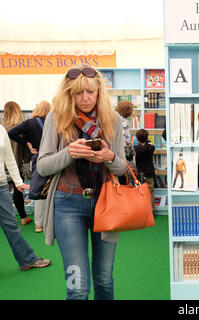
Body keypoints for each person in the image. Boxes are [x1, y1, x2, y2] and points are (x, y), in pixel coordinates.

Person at [37, 64, 127, 300]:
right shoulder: (56, 118)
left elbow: (122, 169)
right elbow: (42, 165)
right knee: (77, 288)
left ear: (99, 92)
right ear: (69, 94)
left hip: (106, 203)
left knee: (104, 279)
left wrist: (109, 157)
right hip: (67, 203)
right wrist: (69, 152)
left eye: (90, 92)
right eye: (78, 92)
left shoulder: (114, 120)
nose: (85, 98)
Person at [0, 123, 51, 271]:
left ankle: (27, 259)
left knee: (11, 225)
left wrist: (17, 182)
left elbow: (8, 157)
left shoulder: (1, 129)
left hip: (2, 185)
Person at [8, 100, 52, 233]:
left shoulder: (29, 123)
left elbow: (11, 133)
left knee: (38, 190)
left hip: (36, 159)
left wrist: (26, 143)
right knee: (53, 191)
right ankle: (50, 223)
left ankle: (39, 224)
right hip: (52, 159)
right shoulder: (53, 122)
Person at [2, 101, 32, 226]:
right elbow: (26, 148)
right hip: (17, 162)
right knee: (17, 189)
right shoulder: (21, 127)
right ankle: (23, 217)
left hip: (2, 164)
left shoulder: (2, 128)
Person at [134, 129, 156, 210]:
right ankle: (151, 211)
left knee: (140, 193)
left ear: (137, 139)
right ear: (147, 138)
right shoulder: (151, 148)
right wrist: (148, 142)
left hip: (140, 174)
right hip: (150, 173)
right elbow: (151, 146)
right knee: (150, 193)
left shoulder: (135, 149)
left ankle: (142, 211)